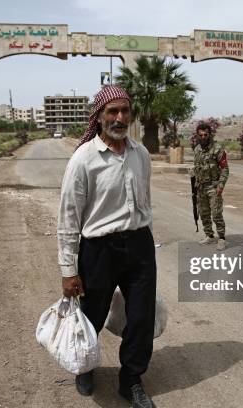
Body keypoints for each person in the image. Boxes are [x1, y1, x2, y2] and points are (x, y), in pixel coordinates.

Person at [57, 85, 156, 408]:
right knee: (92, 315)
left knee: (140, 316)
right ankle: (85, 367)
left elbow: (145, 202)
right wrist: (69, 270)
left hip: (139, 245)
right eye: (112, 111)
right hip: (99, 249)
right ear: (99, 117)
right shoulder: (84, 159)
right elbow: (69, 217)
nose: (119, 117)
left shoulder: (140, 154)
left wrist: (148, 241)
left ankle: (131, 380)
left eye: (125, 111)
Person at [192, 121, 229, 250]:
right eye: (200, 135)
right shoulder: (197, 149)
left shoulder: (218, 149)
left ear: (210, 135)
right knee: (204, 213)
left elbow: (225, 169)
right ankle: (209, 235)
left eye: (205, 135)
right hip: (201, 187)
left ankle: (222, 238)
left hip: (213, 187)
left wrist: (221, 185)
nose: (203, 137)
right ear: (197, 136)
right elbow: (197, 167)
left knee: (216, 213)